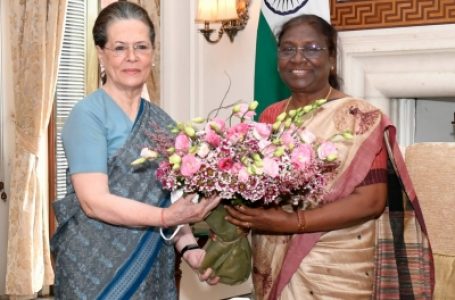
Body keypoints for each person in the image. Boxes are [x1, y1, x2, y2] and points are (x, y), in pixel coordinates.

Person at [225, 14, 434, 299]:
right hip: (272, 256)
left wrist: (293, 223)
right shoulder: (270, 116)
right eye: (288, 49)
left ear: (332, 58)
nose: (298, 58)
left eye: (312, 49)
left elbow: (372, 201)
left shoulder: (360, 118)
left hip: (338, 265)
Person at [50, 2, 220, 299]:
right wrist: (166, 218)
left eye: (141, 47)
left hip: (150, 266)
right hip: (92, 269)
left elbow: (172, 200)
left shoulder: (162, 123)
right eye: (119, 48)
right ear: (101, 54)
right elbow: (94, 202)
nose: (131, 57)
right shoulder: (87, 116)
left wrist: (191, 250)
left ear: (152, 54)